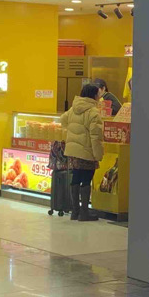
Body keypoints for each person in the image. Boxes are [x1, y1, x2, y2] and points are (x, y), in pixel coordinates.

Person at [63, 83, 104, 221]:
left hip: (73, 151)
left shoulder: (73, 108)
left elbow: (63, 120)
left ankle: (75, 212)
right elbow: (96, 137)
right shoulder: (93, 112)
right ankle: (84, 213)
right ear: (94, 95)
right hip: (87, 151)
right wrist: (98, 155)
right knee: (86, 180)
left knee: (76, 177)